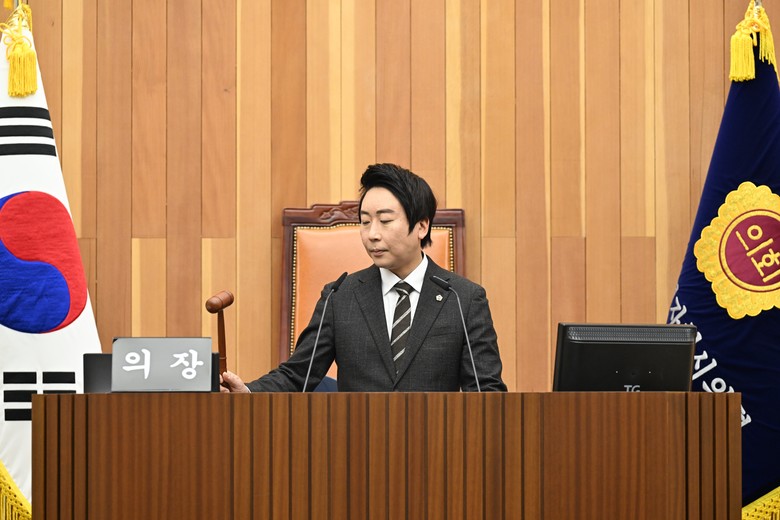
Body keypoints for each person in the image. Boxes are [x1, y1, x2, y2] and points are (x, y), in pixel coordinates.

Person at [221, 163, 506, 392]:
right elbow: (298, 375)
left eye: (385, 221)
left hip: (438, 442)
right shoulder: (340, 297)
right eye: (365, 222)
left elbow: (487, 393)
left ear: (421, 226)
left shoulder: (463, 299)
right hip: (357, 441)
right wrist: (249, 391)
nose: (372, 234)